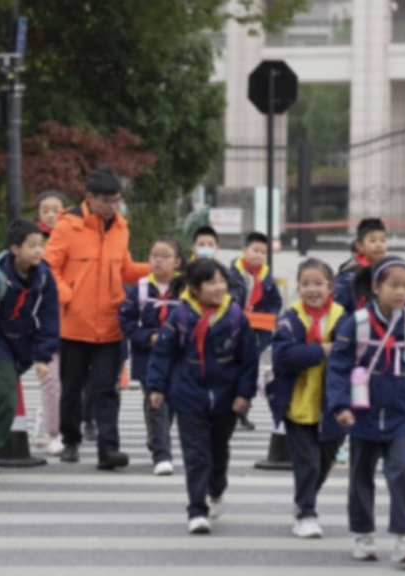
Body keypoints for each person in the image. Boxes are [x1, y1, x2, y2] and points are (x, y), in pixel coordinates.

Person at [326, 256, 405, 565]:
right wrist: (340, 406)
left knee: (402, 470)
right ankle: (363, 535)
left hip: (402, 411)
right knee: (361, 474)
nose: (400, 292)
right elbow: (337, 368)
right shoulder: (356, 323)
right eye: (393, 285)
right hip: (363, 411)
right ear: (376, 288)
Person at [43, 167, 150, 469]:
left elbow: (125, 270)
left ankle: (108, 449)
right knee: (72, 388)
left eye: (116, 200)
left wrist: (157, 268)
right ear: (89, 198)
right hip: (74, 325)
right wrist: (68, 297)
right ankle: (71, 440)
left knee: (107, 390)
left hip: (110, 325)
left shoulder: (121, 228)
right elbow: (49, 268)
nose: (112, 206)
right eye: (106, 200)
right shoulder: (67, 227)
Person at [147, 258, 258, 535]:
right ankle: (197, 509)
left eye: (222, 281)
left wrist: (245, 394)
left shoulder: (235, 316)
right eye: (211, 282)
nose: (219, 287)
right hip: (188, 395)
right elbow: (163, 353)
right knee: (196, 454)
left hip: (225, 397)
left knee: (218, 451)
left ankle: (216, 487)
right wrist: (157, 387)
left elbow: (249, 359)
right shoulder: (181, 316)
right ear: (195, 288)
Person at [0, 220, 60, 478]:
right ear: (15, 249)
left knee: (0, 393)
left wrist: (43, 356)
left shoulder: (43, 276)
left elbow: (50, 317)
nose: (38, 251)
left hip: (24, 342)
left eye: (40, 245)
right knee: (7, 392)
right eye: (32, 246)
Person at [269, 258, 347, 539]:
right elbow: (283, 358)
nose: (312, 289)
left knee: (324, 462)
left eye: (318, 283)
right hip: (298, 404)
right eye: (305, 284)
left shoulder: (343, 317)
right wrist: (321, 351)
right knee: (308, 462)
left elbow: (352, 355)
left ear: (330, 287)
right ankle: (306, 514)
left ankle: (304, 498)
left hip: (334, 405)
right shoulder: (290, 319)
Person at [119, 236, 185, 476]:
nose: (158, 261)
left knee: (171, 401)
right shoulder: (142, 288)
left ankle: (158, 439)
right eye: (154, 256)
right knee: (156, 401)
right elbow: (126, 321)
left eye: (165, 256)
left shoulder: (186, 287)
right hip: (149, 356)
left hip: (178, 356)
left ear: (177, 261)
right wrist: (148, 337)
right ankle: (162, 454)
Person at [227, 231, 282, 431]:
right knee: (233, 368)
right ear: (244, 251)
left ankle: (243, 411)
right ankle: (229, 409)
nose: (258, 255)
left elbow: (276, 301)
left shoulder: (266, 276)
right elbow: (227, 299)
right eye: (255, 250)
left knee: (249, 370)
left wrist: (272, 315)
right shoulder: (232, 273)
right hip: (235, 327)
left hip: (259, 330)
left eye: (263, 252)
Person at [31, 190, 69, 456]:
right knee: (51, 380)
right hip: (44, 322)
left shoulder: (75, 239)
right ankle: (53, 433)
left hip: (74, 319)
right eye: (45, 209)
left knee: (70, 383)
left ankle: (50, 419)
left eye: (56, 209)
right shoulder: (32, 242)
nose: (51, 214)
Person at [335, 218, 405, 315]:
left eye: (383, 240)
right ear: (360, 246)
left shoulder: (393, 271)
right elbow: (339, 309)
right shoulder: (347, 276)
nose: (379, 245)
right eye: (373, 241)